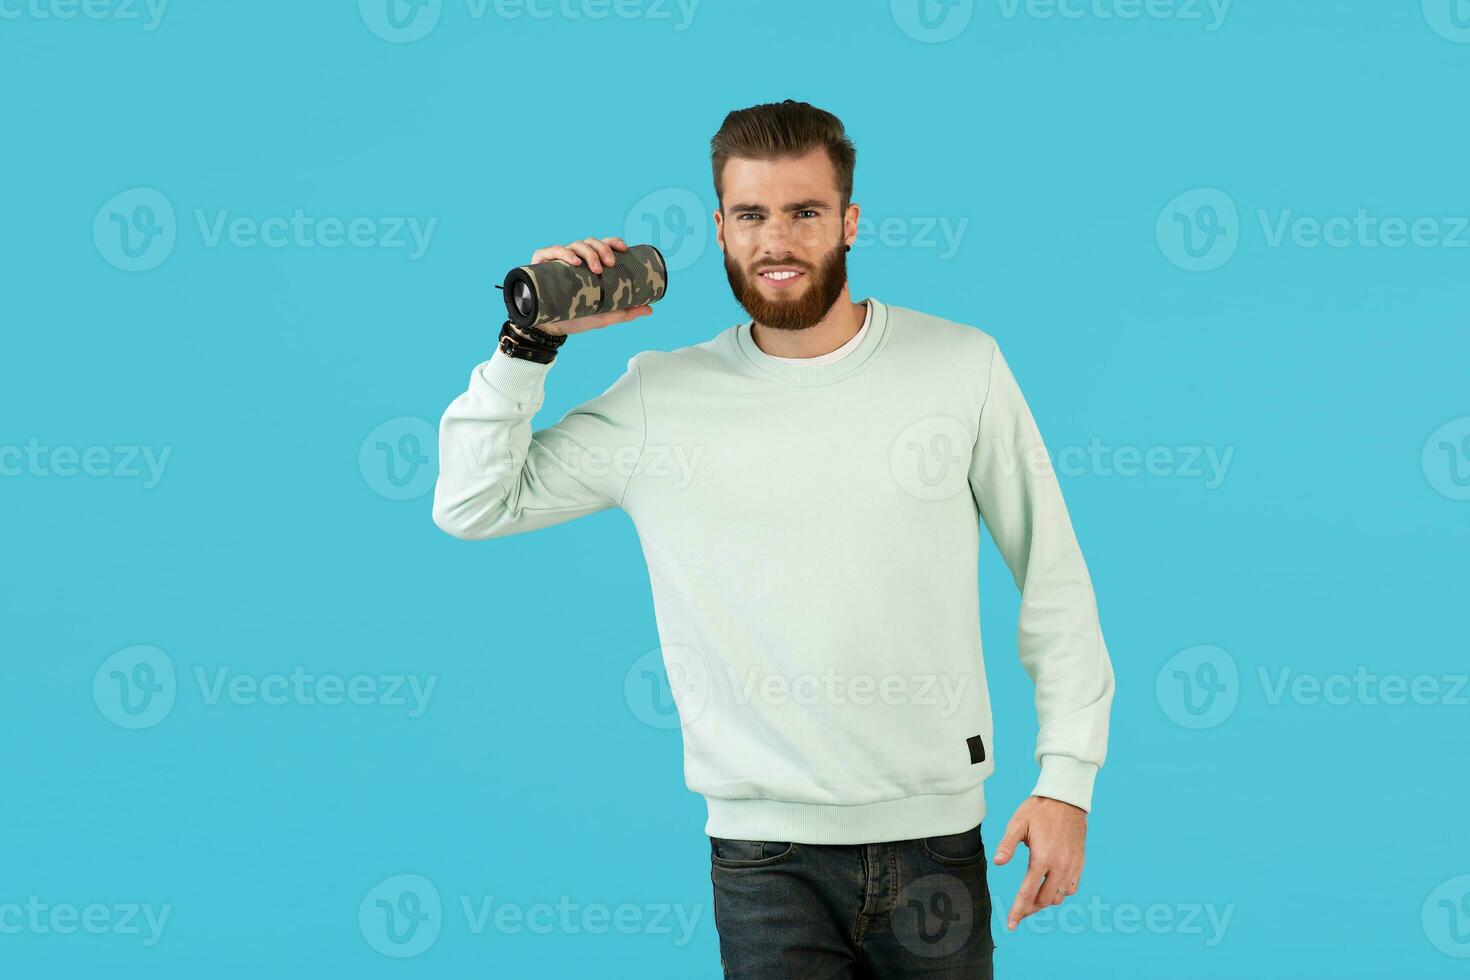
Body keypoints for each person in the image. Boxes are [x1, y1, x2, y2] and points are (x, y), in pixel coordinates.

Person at [432, 99, 1115, 978]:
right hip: (765, 866)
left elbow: (1054, 580)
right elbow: (472, 503)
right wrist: (531, 341)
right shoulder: (661, 398)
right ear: (719, 227)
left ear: (849, 222)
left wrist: (1068, 781)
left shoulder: (961, 365)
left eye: (805, 212)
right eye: (752, 215)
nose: (777, 240)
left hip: (936, 845)